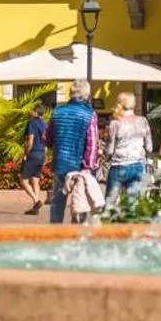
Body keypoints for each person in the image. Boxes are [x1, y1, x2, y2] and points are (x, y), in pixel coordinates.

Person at [46, 84, 99, 224]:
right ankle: (77, 232)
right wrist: (89, 165)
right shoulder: (89, 114)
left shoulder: (58, 111)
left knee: (58, 200)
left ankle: (55, 230)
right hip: (80, 166)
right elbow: (92, 143)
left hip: (60, 163)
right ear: (87, 94)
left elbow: (48, 137)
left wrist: (55, 147)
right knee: (80, 201)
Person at [100, 92, 154, 207]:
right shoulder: (143, 120)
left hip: (118, 165)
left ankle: (109, 224)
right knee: (132, 205)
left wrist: (105, 158)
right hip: (137, 165)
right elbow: (149, 147)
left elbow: (109, 150)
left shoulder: (115, 123)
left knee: (110, 203)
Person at [18, 100, 50, 215]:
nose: (31, 112)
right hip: (41, 153)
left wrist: (26, 153)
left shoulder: (32, 123)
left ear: (36, 112)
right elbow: (46, 141)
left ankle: (36, 201)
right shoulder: (45, 124)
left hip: (33, 153)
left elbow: (30, 139)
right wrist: (45, 155)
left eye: (32, 110)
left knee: (23, 179)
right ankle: (35, 207)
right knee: (35, 180)